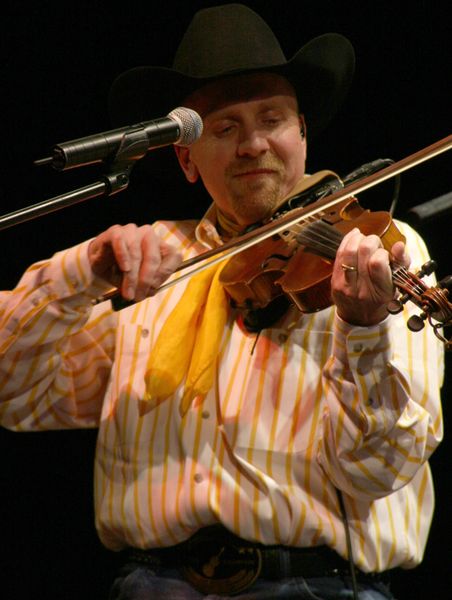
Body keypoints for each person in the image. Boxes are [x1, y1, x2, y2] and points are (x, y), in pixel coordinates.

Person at [0, 4, 445, 600]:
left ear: (303, 132)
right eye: (225, 128)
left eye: (272, 119)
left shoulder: (372, 249)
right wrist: (79, 272)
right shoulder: (152, 261)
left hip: (317, 586)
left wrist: (364, 333)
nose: (253, 144)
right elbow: (14, 393)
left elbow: (377, 471)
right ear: (185, 156)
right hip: (151, 584)